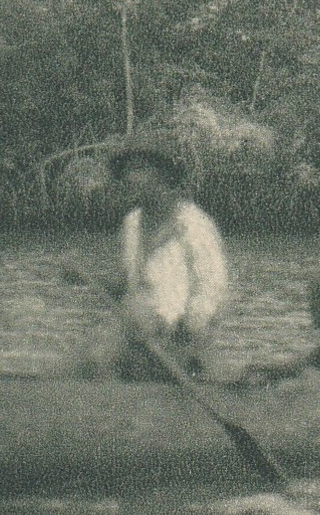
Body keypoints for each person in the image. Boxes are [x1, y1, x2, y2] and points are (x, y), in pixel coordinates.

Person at [83, 143, 229, 382]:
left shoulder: (193, 225)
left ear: (163, 176)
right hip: (136, 335)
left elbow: (213, 291)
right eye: (127, 172)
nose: (130, 178)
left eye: (139, 169)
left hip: (180, 343)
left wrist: (184, 335)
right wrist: (86, 277)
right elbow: (131, 285)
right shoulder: (132, 223)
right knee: (90, 361)